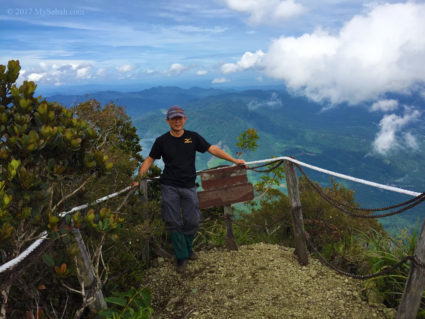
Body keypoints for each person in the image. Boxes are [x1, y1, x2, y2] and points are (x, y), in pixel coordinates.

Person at [136, 105, 245, 272]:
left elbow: (212, 149)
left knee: (192, 220)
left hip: (188, 186)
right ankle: (182, 257)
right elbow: (150, 160)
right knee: (173, 222)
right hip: (169, 186)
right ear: (168, 121)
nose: (177, 121)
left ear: (185, 119)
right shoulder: (162, 141)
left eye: (180, 118)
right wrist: (139, 179)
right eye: (174, 118)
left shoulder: (192, 137)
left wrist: (234, 161)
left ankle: (187, 250)